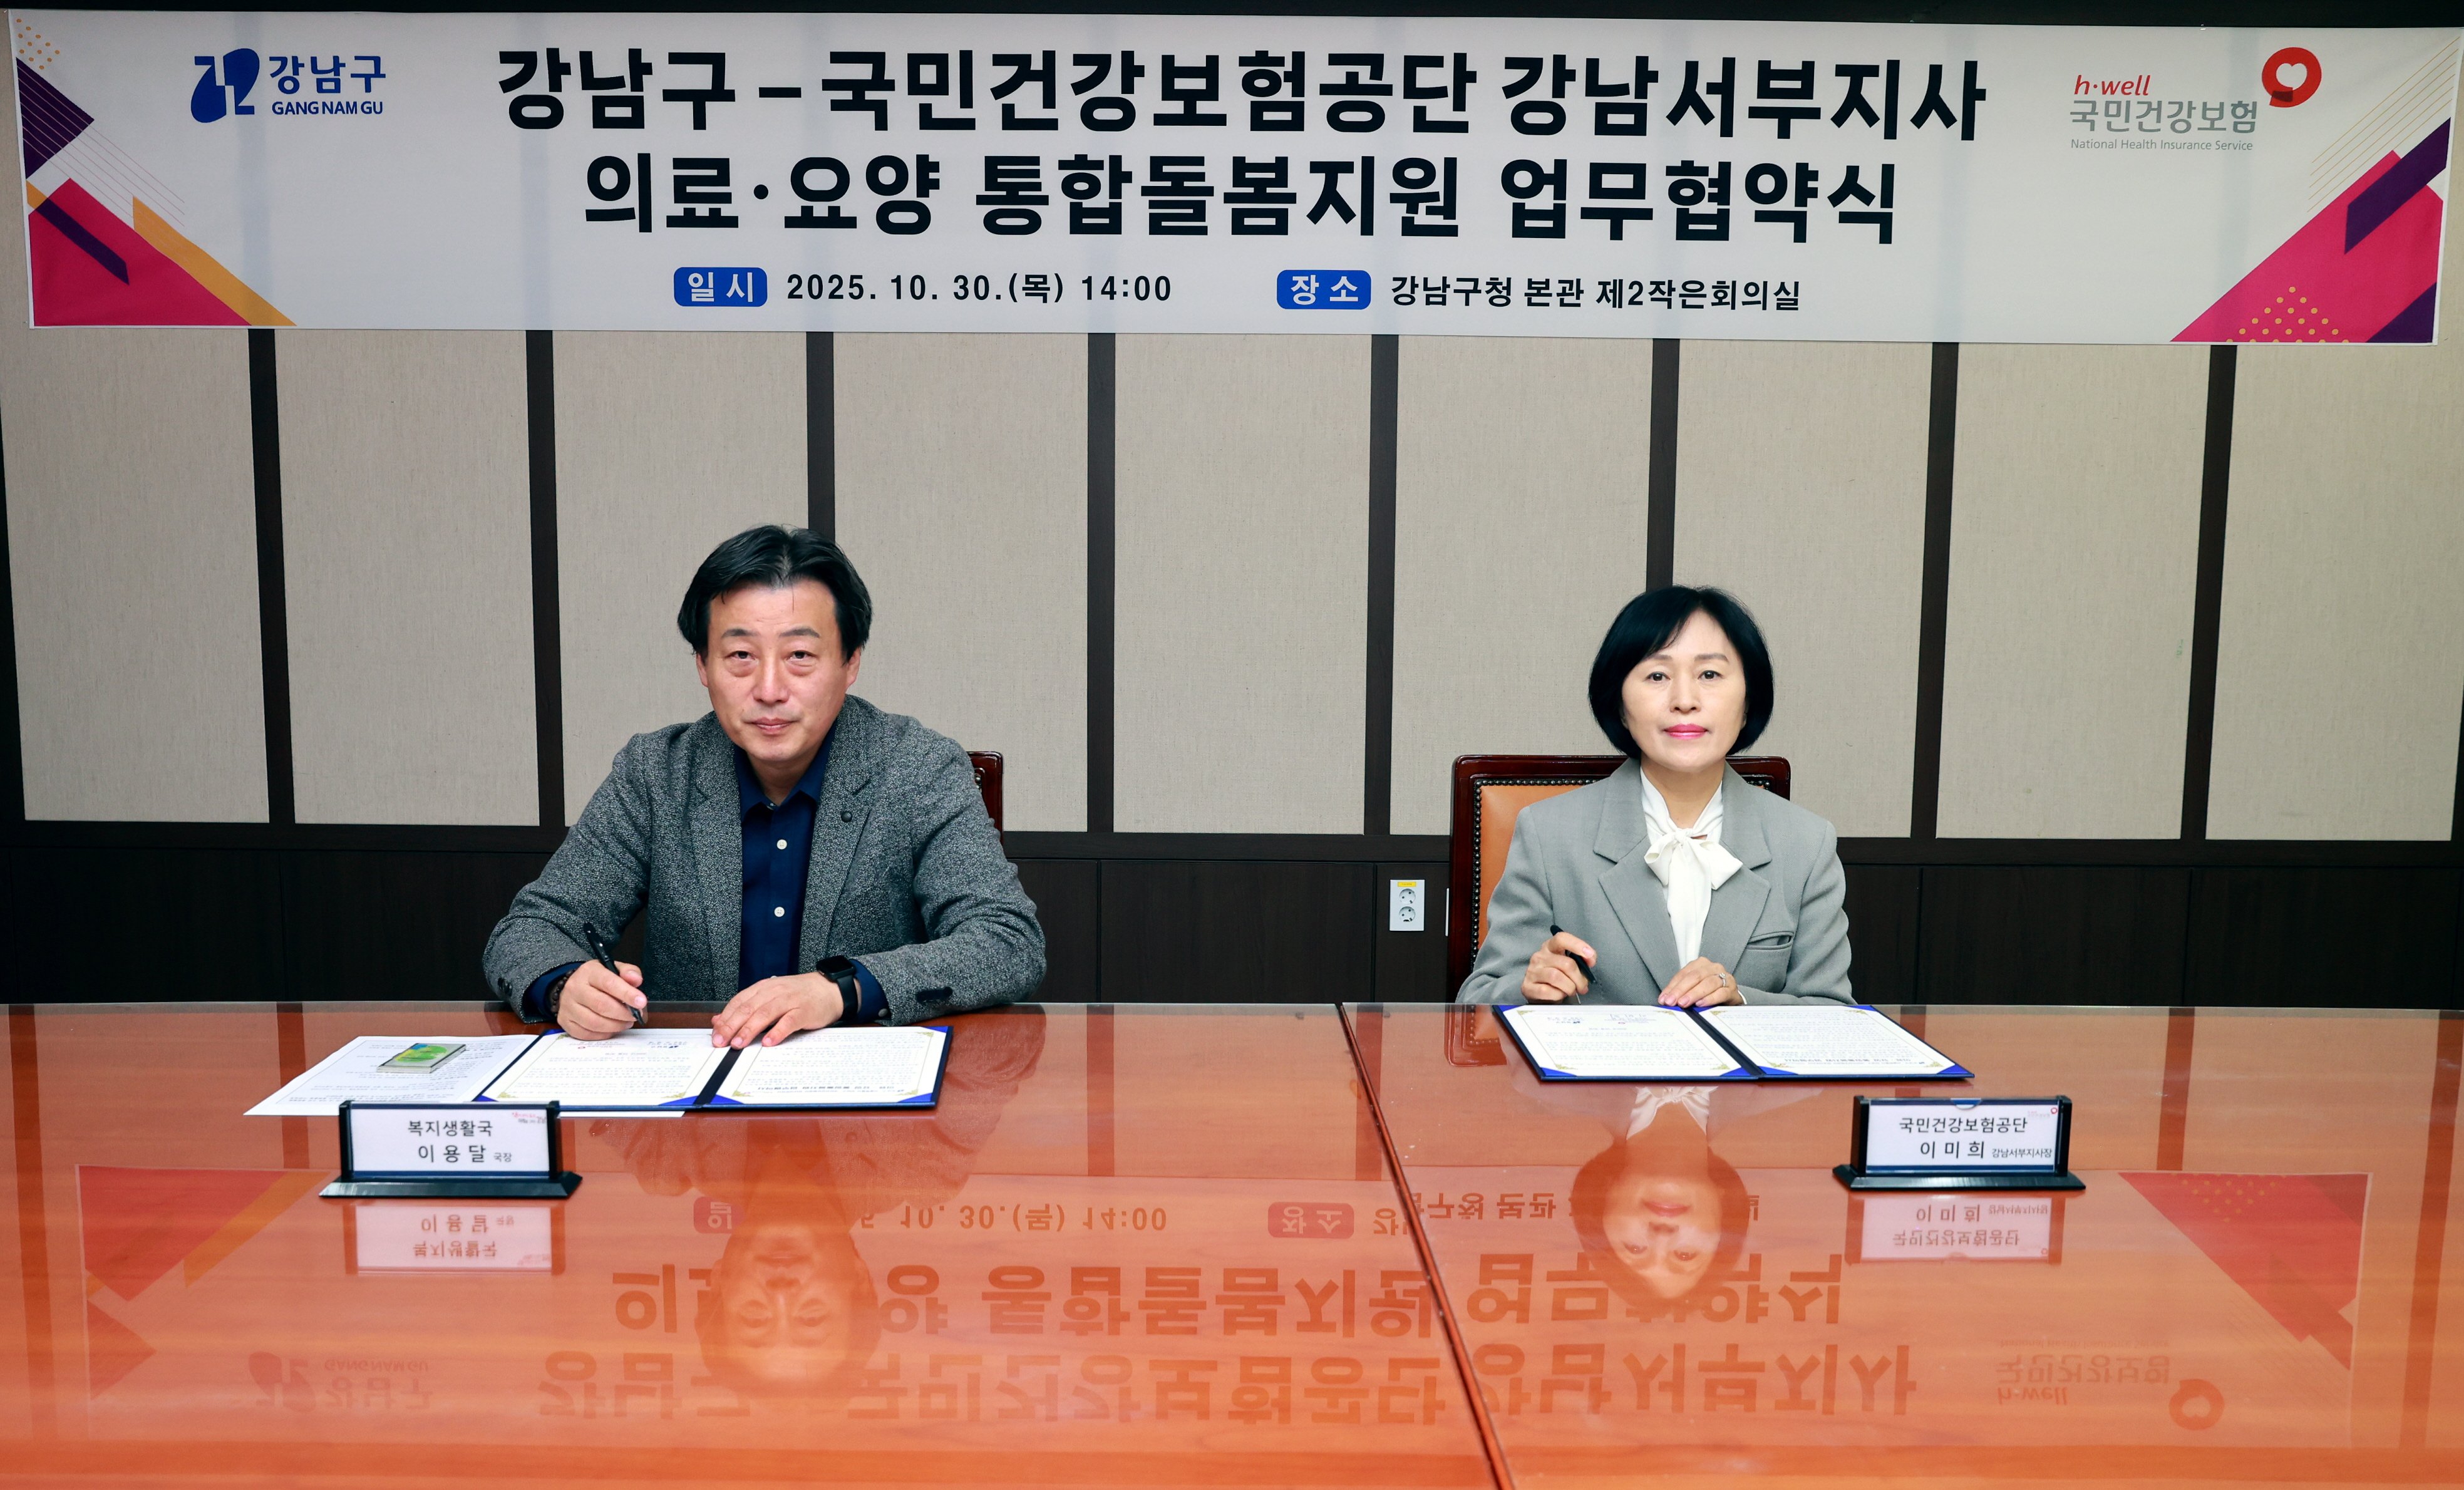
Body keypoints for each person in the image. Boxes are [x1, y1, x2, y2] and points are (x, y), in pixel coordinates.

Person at [483, 525, 1044, 1043]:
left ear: (850, 662)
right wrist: (564, 985)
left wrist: (840, 990)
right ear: (703, 665)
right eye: (740, 655)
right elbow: (530, 928)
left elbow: (1007, 940)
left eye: (800, 655)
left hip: (863, 1097)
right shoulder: (656, 773)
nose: (769, 689)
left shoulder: (918, 768)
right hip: (696, 1089)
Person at [1456, 585, 1852, 1008]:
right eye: (1657, 676)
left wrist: (1741, 1000)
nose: (1684, 701)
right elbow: (1474, 1005)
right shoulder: (1548, 834)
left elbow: (1834, 1014)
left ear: (1748, 699)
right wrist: (1528, 988)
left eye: (1709, 675)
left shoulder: (1806, 843)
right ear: (1620, 703)